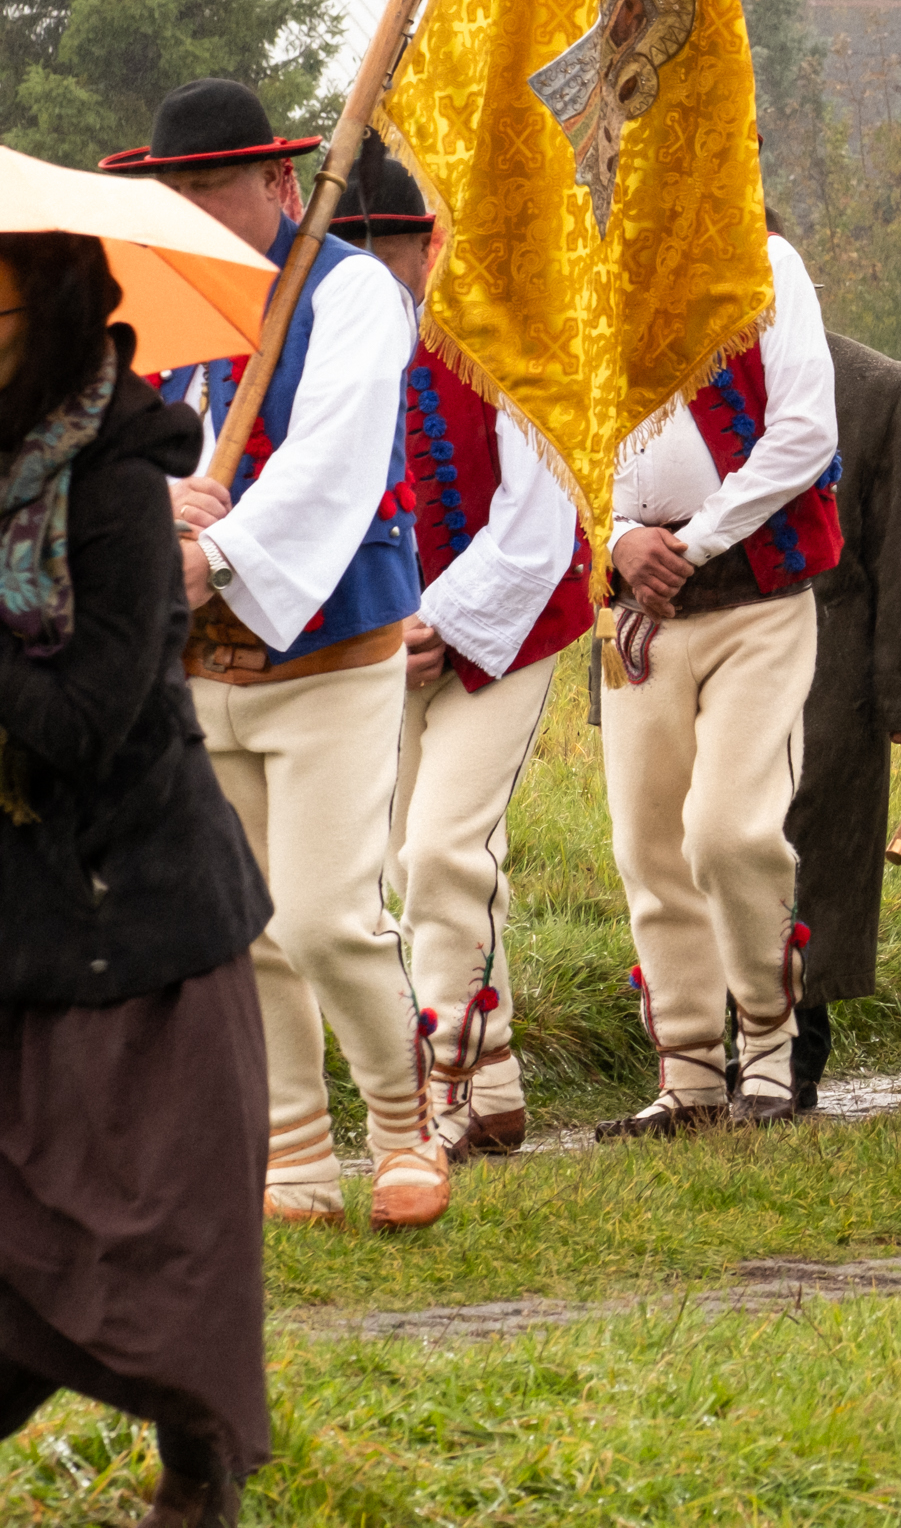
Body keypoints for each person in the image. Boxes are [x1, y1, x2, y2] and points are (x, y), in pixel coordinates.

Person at [109, 83, 444, 1228]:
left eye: (215, 187)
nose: (195, 208)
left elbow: (337, 461)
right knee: (234, 921)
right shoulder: (157, 305)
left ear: (284, 184)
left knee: (322, 915)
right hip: (198, 667)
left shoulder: (354, 297)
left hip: (328, 653)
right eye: (178, 192)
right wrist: (155, 509)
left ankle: (405, 1128)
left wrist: (221, 552)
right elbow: (102, 452)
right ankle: (293, 1155)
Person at [0, 229, 274, 1524]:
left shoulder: (115, 485)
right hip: (18, 913)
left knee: (166, 1234)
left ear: (51, 316)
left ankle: (199, 1464)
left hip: (145, 913)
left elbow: (83, 722)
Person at [329, 148, 593, 1163]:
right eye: (344, 253)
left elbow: (538, 520)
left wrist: (429, 617)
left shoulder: (500, 337)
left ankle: (446, 1080)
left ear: (425, 246)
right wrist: (380, 619)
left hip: (510, 624)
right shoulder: (329, 353)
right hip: (380, 637)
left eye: (381, 250)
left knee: (445, 847)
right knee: (404, 860)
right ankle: (492, 1079)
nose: (365, 273)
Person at [599, 216, 842, 1137]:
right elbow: (567, 428)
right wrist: (620, 535)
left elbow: (804, 433)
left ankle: (771, 1051)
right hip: (638, 606)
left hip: (754, 594)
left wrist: (691, 543)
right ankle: (691, 1077)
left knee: (729, 832)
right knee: (651, 848)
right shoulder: (587, 274)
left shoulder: (767, 261)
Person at [785, 326, 901, 1112]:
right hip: (691, 651)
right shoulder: (647, 372)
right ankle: (691, 1051)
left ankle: (792, 1049)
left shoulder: (870, 384)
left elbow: (899, 545)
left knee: (810, 846)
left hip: (831, 654)